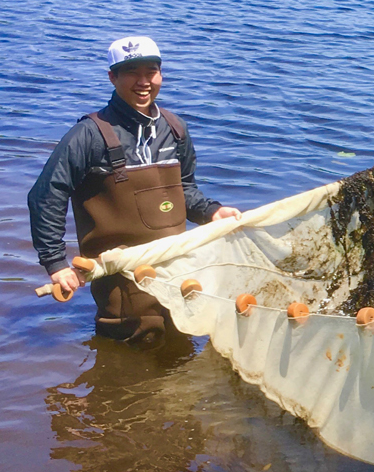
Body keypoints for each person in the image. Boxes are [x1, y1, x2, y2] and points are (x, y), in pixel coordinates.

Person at [28, 36, 240, 348]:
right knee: (126, 356)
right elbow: (46, 195)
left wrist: (211, 211)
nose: (143, 82)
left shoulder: (175, 129)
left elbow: (184, 190)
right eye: (131, 73)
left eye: (151, 72)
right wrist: (55, 263)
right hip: (120, 278)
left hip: (176, 271)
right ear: (112, 77)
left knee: (179, 343)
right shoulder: (88, 135)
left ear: (161, 75)